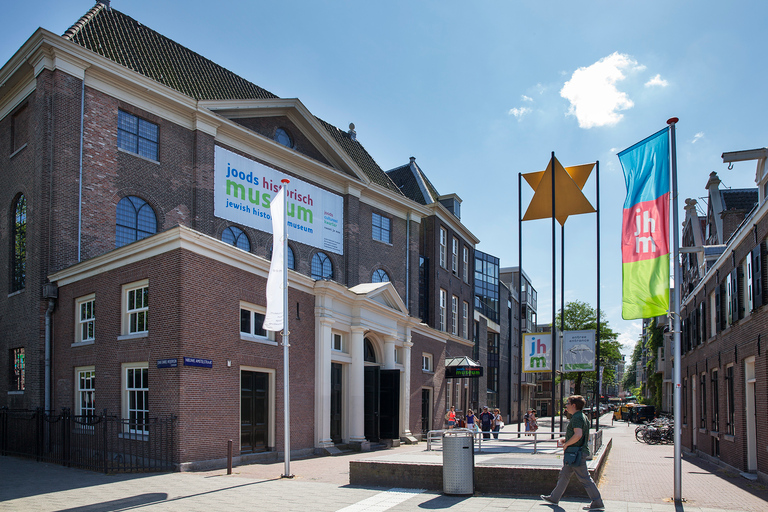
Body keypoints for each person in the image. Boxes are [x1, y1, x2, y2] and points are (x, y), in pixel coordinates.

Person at [541, 395, 604, 510]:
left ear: (574, 405)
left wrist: (566, 444)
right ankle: (554, 498)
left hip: (576, 454)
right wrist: (566, 440)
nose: (566, 406)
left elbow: (578, 435)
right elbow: (579, 435)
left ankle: (597, 502)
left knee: (585, 478)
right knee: (564, 475)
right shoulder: (582, 416)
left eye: (568, 403)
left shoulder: (576, 418)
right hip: (575, 453)